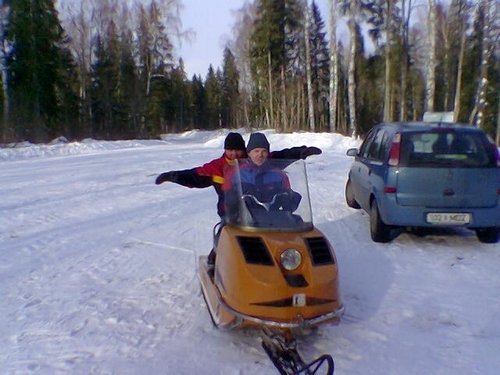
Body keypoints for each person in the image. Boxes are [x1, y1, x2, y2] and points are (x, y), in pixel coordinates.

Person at [155, 132, 320, 218]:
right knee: (225, 244)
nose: (233, 154)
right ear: (225, 150)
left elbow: (282, 156)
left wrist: (302, 152)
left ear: (244, 151)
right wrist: (173, 176)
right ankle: (215, 263)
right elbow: (195, 175)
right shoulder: (218, 167)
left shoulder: (255, 160)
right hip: (230, 213)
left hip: (258, 213)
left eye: (237, 150)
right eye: (230, 150)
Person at [223, 132, 302, 224]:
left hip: (273, 221)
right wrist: (232, 209)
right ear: (249, 153)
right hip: (245, 222)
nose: (260, 155)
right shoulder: (236, 174)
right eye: (256, 151)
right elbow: (227, 200)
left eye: (264, 151)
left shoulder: (279, 175)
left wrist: (290, 199)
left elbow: (288, 196)